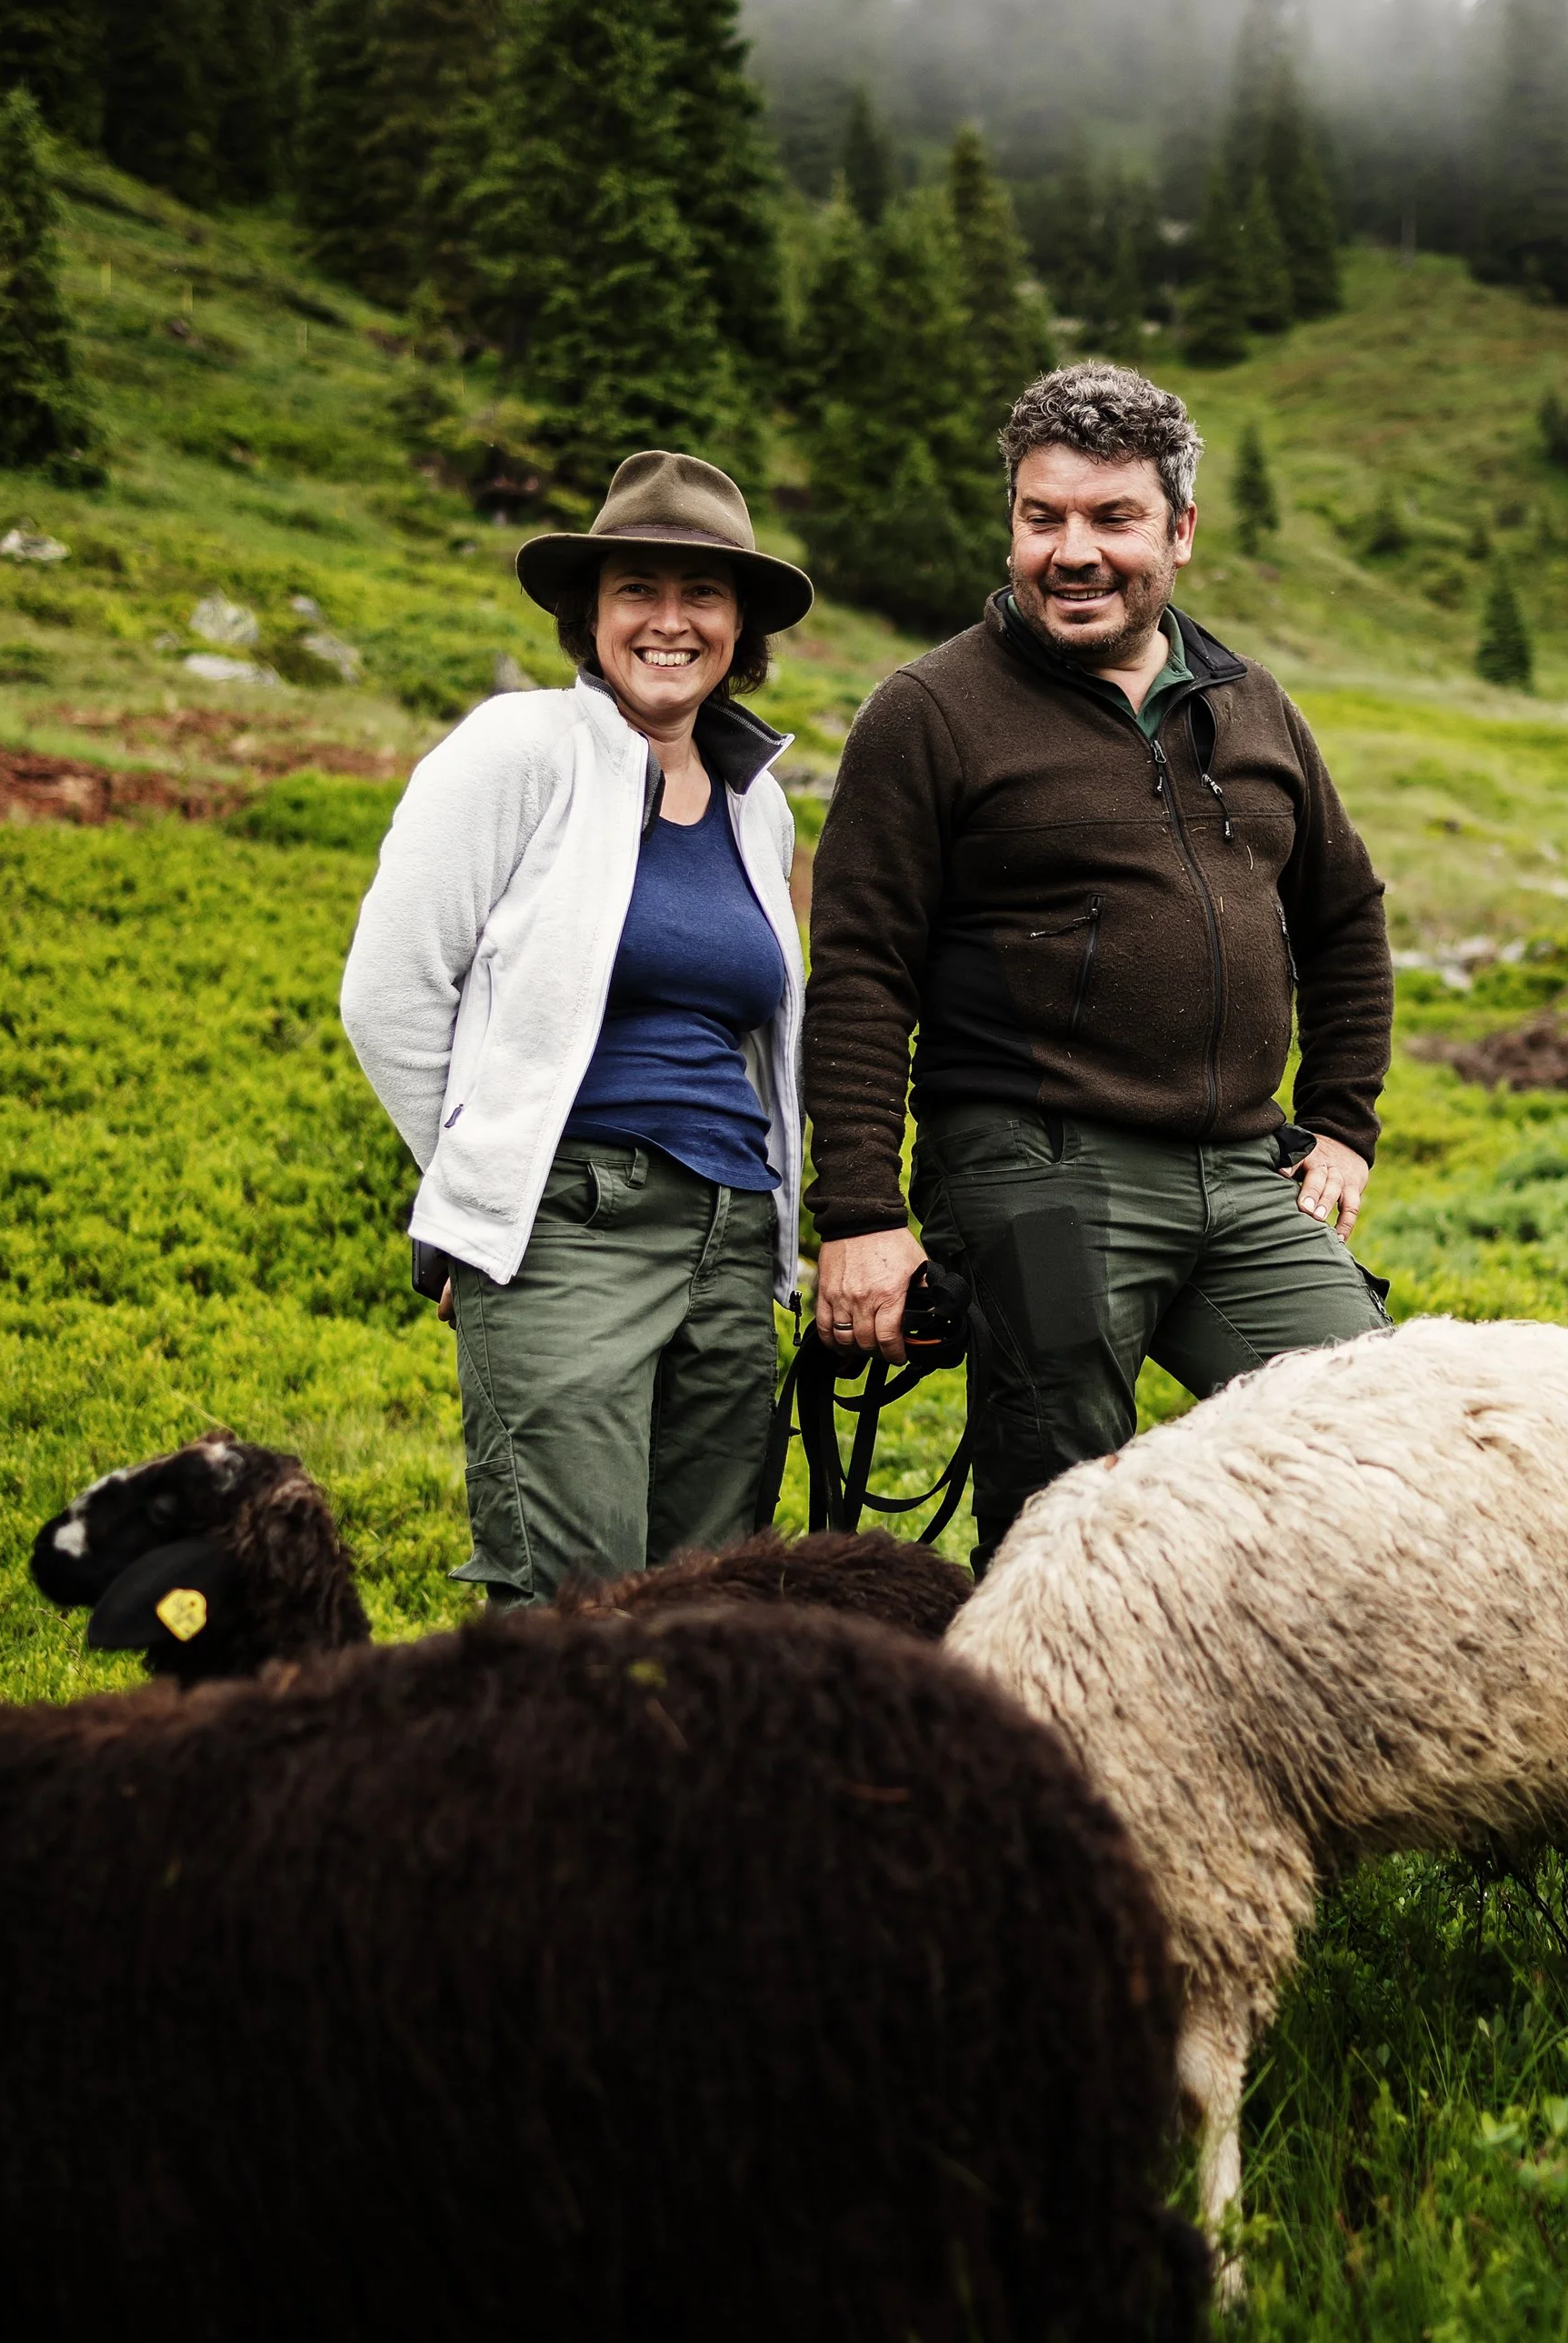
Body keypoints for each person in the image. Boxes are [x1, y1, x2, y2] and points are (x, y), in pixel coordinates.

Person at [804, 361, 1393, 1567]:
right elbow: (860, 971)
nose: (1073, 552)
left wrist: (1341, 1120)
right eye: (1044, 517)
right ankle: (1029, 1692)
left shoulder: (1253, 704)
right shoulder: (928, 711)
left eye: (1111, 517)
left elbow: (1346, 916)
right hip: (1037, 1163)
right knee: (1060, 1515)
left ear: (1179, 531)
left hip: (1244, 1170)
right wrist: (859, 1214)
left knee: (1380, 1439)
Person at [342, 451, 813, 1598]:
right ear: (590, 616)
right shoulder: (521, 747)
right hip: (573, 1218)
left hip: (732, 1231)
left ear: (739, 625)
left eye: (702, 593)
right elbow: (390, 990)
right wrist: (487, 1192)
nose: (669, 620)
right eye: (636, 589)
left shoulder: (756, 801)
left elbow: (762, 1038)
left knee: (707, 1606)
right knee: (575, 1604)